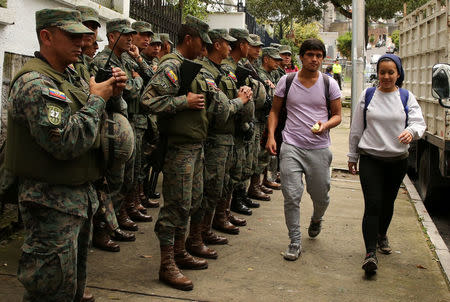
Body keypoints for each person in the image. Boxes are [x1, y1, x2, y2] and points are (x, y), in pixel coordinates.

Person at [5, 8, 127, 301]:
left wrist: (112, 91)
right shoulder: (36, 83)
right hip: (51, 204)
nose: (82, 43)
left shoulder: (69, 75)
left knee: (72, 287)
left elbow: (90, 111)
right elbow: (66, 141)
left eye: (82, 36)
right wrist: (98, 100)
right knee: (50, 291)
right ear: (46, 36)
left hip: (76, 199)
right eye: (72, 36)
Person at [140, 15, 213, 291]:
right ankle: (167, 263)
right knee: (176, 205)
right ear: (188, 39)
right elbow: (147, 99)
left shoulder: (191, 66)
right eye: (201, 42)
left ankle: (180, 251)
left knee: (192, 200)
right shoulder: (171, 65)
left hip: (195, 146)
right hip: (178, 148)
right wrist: (184, 101)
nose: (204, 48)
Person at [348, 54, 426, 273]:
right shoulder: (368, 95)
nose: (386, 76)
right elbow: (356, 128)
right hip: (371, 158)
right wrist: (352, 156)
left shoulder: (406, 97)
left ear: (398, 74)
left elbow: (419, 123)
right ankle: (370, 253)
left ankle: (382, 234)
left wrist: (411, 132)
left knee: (387, 203)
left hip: (397, 161)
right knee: (372, 204)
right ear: (377, 73)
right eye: (382, 72)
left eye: (391, 72)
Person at [266, 38, 342, 261]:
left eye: (319, 56)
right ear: (301, 57)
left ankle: (317, 218)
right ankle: (295, 241)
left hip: (319, 149)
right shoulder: (286, 81)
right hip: (291, 146)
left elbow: (337, 115)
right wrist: (272, 136)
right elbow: (274, 112)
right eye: (310, 55)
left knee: (321, 196)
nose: (315, 59)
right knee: (291, 195)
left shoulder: (330, 84)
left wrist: (325, 125)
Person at [200, 28, 252, 242]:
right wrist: (241, 100)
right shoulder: (207, 71)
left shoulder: (224, 70)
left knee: (225, 182)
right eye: (227, 43)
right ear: (217, 44)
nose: (231, 47)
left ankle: (217, 220)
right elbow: (221, 110)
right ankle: (200, 234)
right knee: (210, 188)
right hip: (215, 138)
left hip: (229, 135)